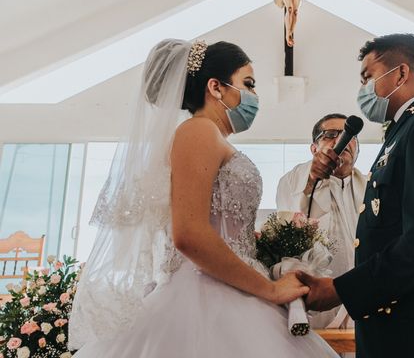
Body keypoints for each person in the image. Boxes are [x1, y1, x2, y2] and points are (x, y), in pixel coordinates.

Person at [69, 39, 337, 357]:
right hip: (204, 293)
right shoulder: (198, 131)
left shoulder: (210, 136)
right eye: (248, 84)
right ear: (216, 87)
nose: (254, 96)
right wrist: (270, 289)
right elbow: (190, 234)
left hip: (229, 285)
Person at [297, 33, 414, 358]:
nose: (363, 90)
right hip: (397, 328)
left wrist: (341, 290)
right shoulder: (402, 132)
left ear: (400, 74)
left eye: (368, 77)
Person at [276, 113, 366, 329]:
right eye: (330, 135)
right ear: (314, 149)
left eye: (349, 135)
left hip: (361, 301)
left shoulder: (371, 187)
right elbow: (294, 212)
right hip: (317, 305)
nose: (341, 140)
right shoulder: (295, 178)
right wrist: (312, 176)